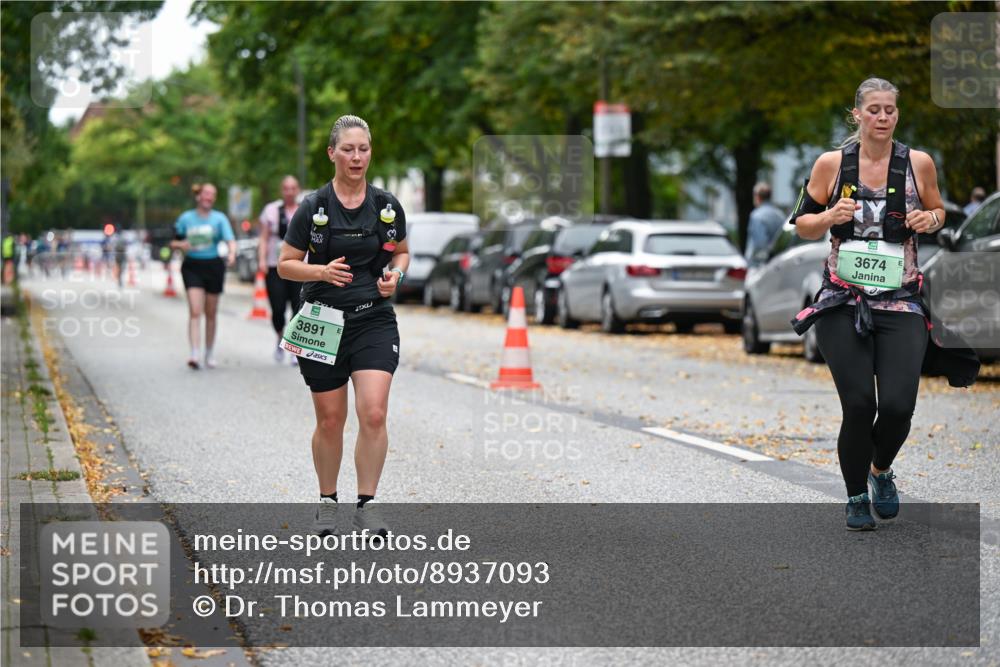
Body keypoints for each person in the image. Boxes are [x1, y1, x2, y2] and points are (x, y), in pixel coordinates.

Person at [789, 77, 949, 531]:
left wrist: (928, 218)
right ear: (857, 114)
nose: (882, 117)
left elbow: (940, 212)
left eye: (890, 110)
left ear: (897, 115)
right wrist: (827, 217)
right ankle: (856, 495)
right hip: (842, 302)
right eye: (874, 110)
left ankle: (880, 470)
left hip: (901, 303)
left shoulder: (918, 163)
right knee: (859, 404)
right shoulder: (831, 164)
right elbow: (801, 223)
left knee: (898, 406)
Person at [278, 115, 409, 538]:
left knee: (373, 412)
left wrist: (395, 276)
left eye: (364, 149)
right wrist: (319, 272)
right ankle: (327, 502)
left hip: (373, 318)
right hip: (323, 322)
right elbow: (285, 265)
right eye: (348, 149)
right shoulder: (313, 207)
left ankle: (367, 507)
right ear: (332, 153)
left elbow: (401, 252)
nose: (357, 157)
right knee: (330, 420)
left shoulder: (385, 205)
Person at [170, 183, 236, 370]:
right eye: (206, 193)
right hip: (192, 266)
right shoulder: (185, 218)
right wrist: (181, 245)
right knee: (195, 311)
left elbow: (230, 240)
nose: (209, 197)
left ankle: (209, 352)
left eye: (212, 194)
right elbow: (173, 241)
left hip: (214, 265)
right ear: (198, 196)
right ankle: (194, 353)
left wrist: (231, 254)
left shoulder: (219, 219)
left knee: (211, 313)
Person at [258, 175, 302, 365]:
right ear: (281, 190)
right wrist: (261, 259)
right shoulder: (271, 210)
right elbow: (264, 237)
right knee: (277, 308)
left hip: (300, 267)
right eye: (286, 188)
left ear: (298, 190)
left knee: (297, 307)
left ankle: (293, 347)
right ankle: (279, 337)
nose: (289, 192)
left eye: (293, 188)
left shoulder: (305, 209)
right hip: (274, 265)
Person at [744, 182, 785, 261]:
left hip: (759, 264)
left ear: (757, 197)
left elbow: (759, 244)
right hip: (777, 261)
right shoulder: (780, 215)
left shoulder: (756, 216)